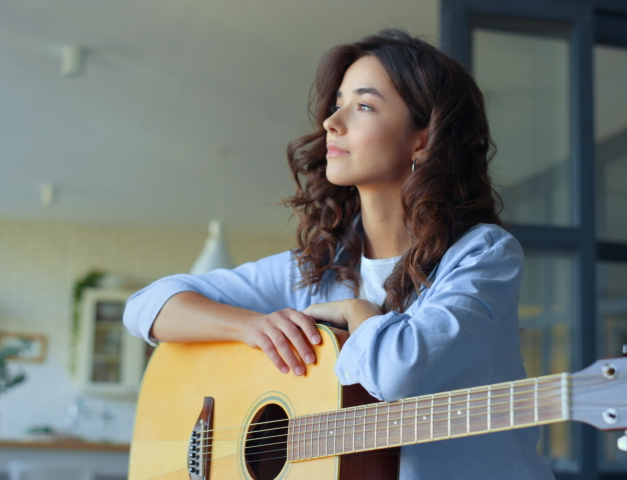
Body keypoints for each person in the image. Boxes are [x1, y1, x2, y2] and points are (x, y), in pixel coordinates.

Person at [123, 28, 554, 480]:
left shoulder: (482, 255)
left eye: (363, 106)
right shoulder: (320, 265)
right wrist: (253, 326)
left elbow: (397, 373)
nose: (332, 121)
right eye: (336, 104)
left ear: (423, 139)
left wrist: (355, 310)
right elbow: (147, 306)